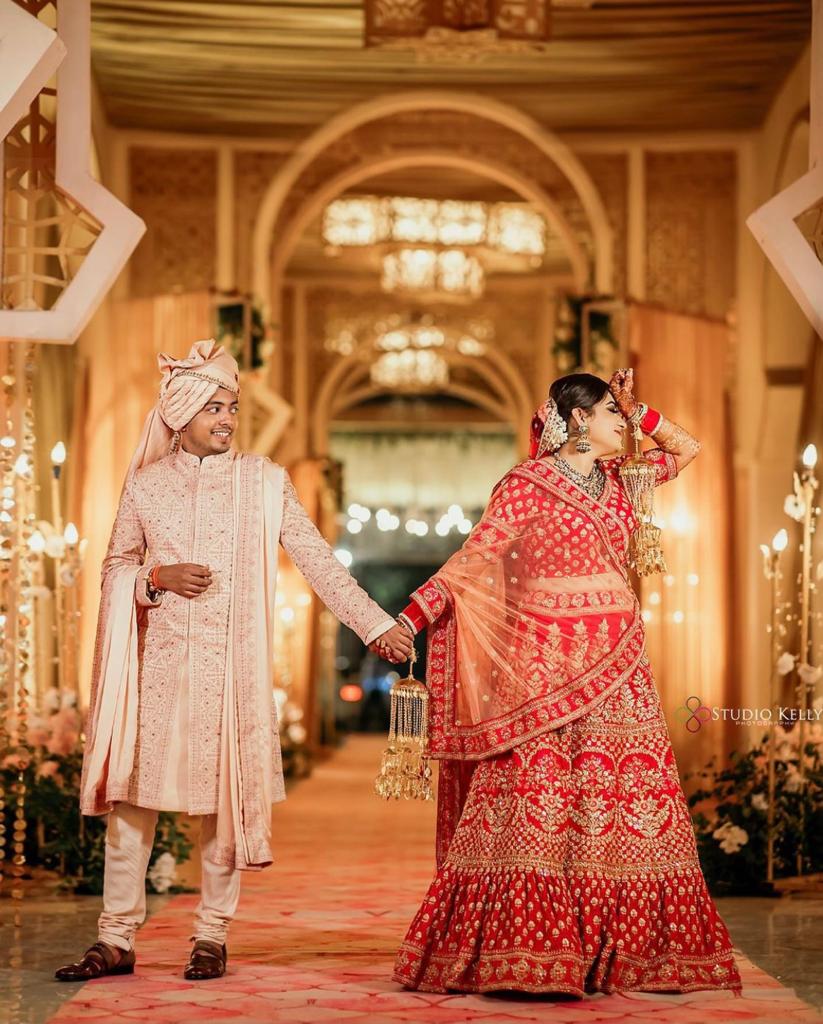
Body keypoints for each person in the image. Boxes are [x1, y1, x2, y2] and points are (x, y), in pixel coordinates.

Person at [56, 340, 412, 983]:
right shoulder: (145, 486)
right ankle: (115, 938)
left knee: (222, 806)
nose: (226, 418)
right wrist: (153, 576)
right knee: (133, 805)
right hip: (156, 671)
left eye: (232, 406)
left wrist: (375, 625)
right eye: (213, 407)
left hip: (229, 673)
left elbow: (319, 563)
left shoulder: (265, 482)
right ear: (180, 412)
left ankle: (211, 935)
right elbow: (114, 567)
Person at [392, 369, 743, 997]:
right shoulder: (524, 487)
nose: (621, 422)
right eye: (610, 411)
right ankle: (530, 948)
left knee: (620, 806)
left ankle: (625, 947)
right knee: (539, 804)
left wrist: (642, 412)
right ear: (577, 419)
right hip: (543, 673)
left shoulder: (623, 481)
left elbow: (686, 449)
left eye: (621, 412)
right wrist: (409, 619)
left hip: (618, 665)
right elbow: (471, 562)